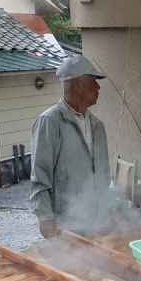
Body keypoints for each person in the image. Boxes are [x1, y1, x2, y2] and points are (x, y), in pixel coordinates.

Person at [30, 55, 112, 238]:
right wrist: (45, 217)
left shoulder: (97, 126)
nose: (98, 87)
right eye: (93, 81)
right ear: (78, 84)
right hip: (66, 223)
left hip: (98, 222)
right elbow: (39, 174)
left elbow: (104, 175)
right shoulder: (49, 122)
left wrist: (108, 210)